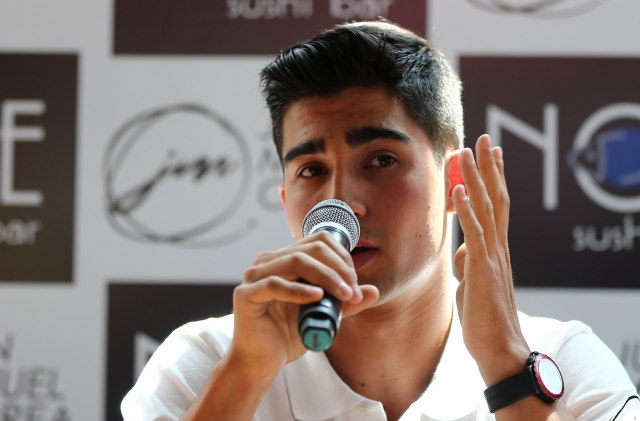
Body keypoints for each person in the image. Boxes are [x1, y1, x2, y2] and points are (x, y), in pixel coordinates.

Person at [121, 19, 639, 420]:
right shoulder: (207, 360)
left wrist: (506, 366)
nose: (343, 202)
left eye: (381, 160)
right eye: (312, 170)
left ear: (455, 181)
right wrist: (246, 373)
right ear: (284, 199)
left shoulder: (561, 360)